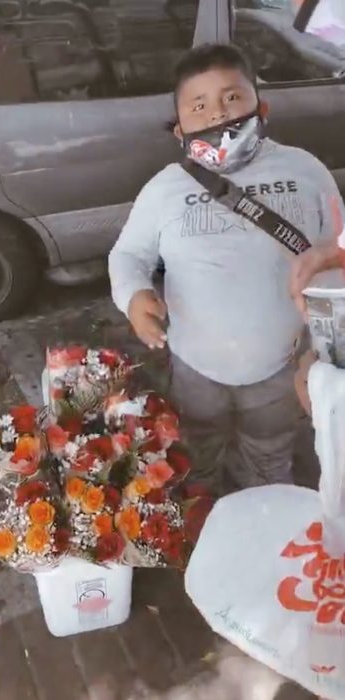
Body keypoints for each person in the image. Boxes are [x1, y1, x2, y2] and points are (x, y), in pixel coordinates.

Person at [108, 42, 344, 496]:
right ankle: (202, 522)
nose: (218, 114)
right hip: (196, 368)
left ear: (263, 106)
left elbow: (338, 249)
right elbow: (127, 256)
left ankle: (265, 509)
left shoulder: (306, 171)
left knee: (270, 454)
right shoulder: (165, 190)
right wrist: (135, 298)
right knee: (195, 453)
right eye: (200, 106)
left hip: (281, 366)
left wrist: (323, 351)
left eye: (232, 97)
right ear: (179, 129)